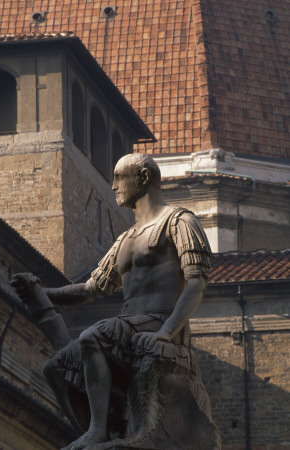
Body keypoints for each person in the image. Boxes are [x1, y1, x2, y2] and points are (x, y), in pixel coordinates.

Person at [11, 153, 212, 450]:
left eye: (119, 177)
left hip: (160, 322)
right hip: (128, 326)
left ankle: (96, 429)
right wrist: (41, 293)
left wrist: (166, 333)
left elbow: (196, 283)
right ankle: (99, 432)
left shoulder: (179, 221)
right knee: (54, 367)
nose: (113, 185)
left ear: (143, 178)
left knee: (94, 336)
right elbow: (91, 289)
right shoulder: (124, 240)